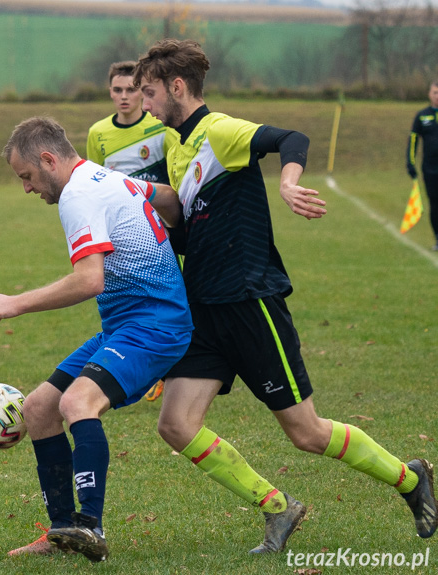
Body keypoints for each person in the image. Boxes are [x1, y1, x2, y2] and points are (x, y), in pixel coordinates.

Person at [133, 38, 437, 553]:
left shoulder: (219, 131)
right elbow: (192, 230)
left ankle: (410, 480)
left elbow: (291, 138)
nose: (144, 104)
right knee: (176, 424)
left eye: (148, 92)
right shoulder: (176, 148)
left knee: (307, 433)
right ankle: (278, 507)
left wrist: (288, 183)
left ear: (176, 87)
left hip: (249, 300)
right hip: (203, 307)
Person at [0, 116, 193, 562]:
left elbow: (89, 280)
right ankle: (62, 532)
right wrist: (181, 236)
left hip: (155, 326)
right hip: (125, 325)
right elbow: (170, 198)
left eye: (27, 177)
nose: (27, 188)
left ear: (48, 159)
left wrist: (16, 302)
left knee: (77, 404)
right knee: (38, 408)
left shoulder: (77, 194)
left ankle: (90, 527)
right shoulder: (104, 175)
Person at [87, 59, 179, 403]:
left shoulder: (160, 130)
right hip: (121, 232)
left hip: (160, 229)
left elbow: (174, 179)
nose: (124, 97)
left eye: (132, 90)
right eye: (117, 90)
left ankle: (166, 366)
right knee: (124, 298)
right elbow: (93, 185)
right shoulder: (98, 133)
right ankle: (136, 363)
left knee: (168, 296)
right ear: (109, 92)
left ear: (142, 92)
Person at [406, 81, 438, 250]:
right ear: (429, 94)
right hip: (430, 169)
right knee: (435, 203)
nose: (437, 96)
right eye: (435, 92)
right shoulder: (422, 116)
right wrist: (410, 163)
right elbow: (413, 141)